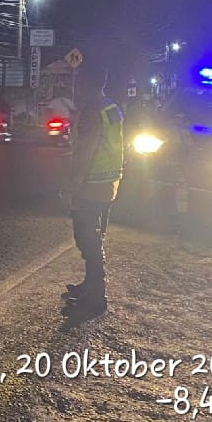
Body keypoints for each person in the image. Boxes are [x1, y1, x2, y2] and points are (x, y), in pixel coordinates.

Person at [59, 65, 125, 314]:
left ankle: (95, 298)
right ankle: (91, 286)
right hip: (109, 183)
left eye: (79, 81)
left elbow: (85, 153)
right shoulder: (111, 107)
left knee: (87, 240)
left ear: (86, 83)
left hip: (91, 185)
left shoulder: (92, 112)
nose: (76, 87)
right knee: (94, 238)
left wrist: (69, 188)